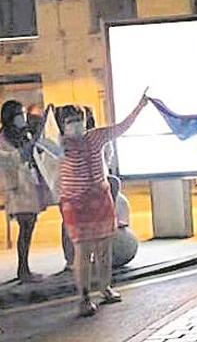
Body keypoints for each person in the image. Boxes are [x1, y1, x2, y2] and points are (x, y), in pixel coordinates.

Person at [57, 96, 147, 317]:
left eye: (79, 118)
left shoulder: (96, 136)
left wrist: (139, 106)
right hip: (76, 205)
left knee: (104, 248)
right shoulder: (60, 145)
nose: (76, 123)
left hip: (100, 200)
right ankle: (84, 297)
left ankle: (105, 287)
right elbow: (39, 147)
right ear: (62, 124)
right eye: (70, 120)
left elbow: (121, 127)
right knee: (83, 251)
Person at [0, 101, 50, 283]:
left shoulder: (24, 134)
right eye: (19, 114)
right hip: (17, 190)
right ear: (9, 117)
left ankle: (24, 268)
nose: (22, 118)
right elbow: (15, 158)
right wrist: (36, 134)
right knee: (25, 226)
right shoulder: (4, 138)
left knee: (29, 226)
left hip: (30, 188)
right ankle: (23, 270)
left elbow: (34, 154)